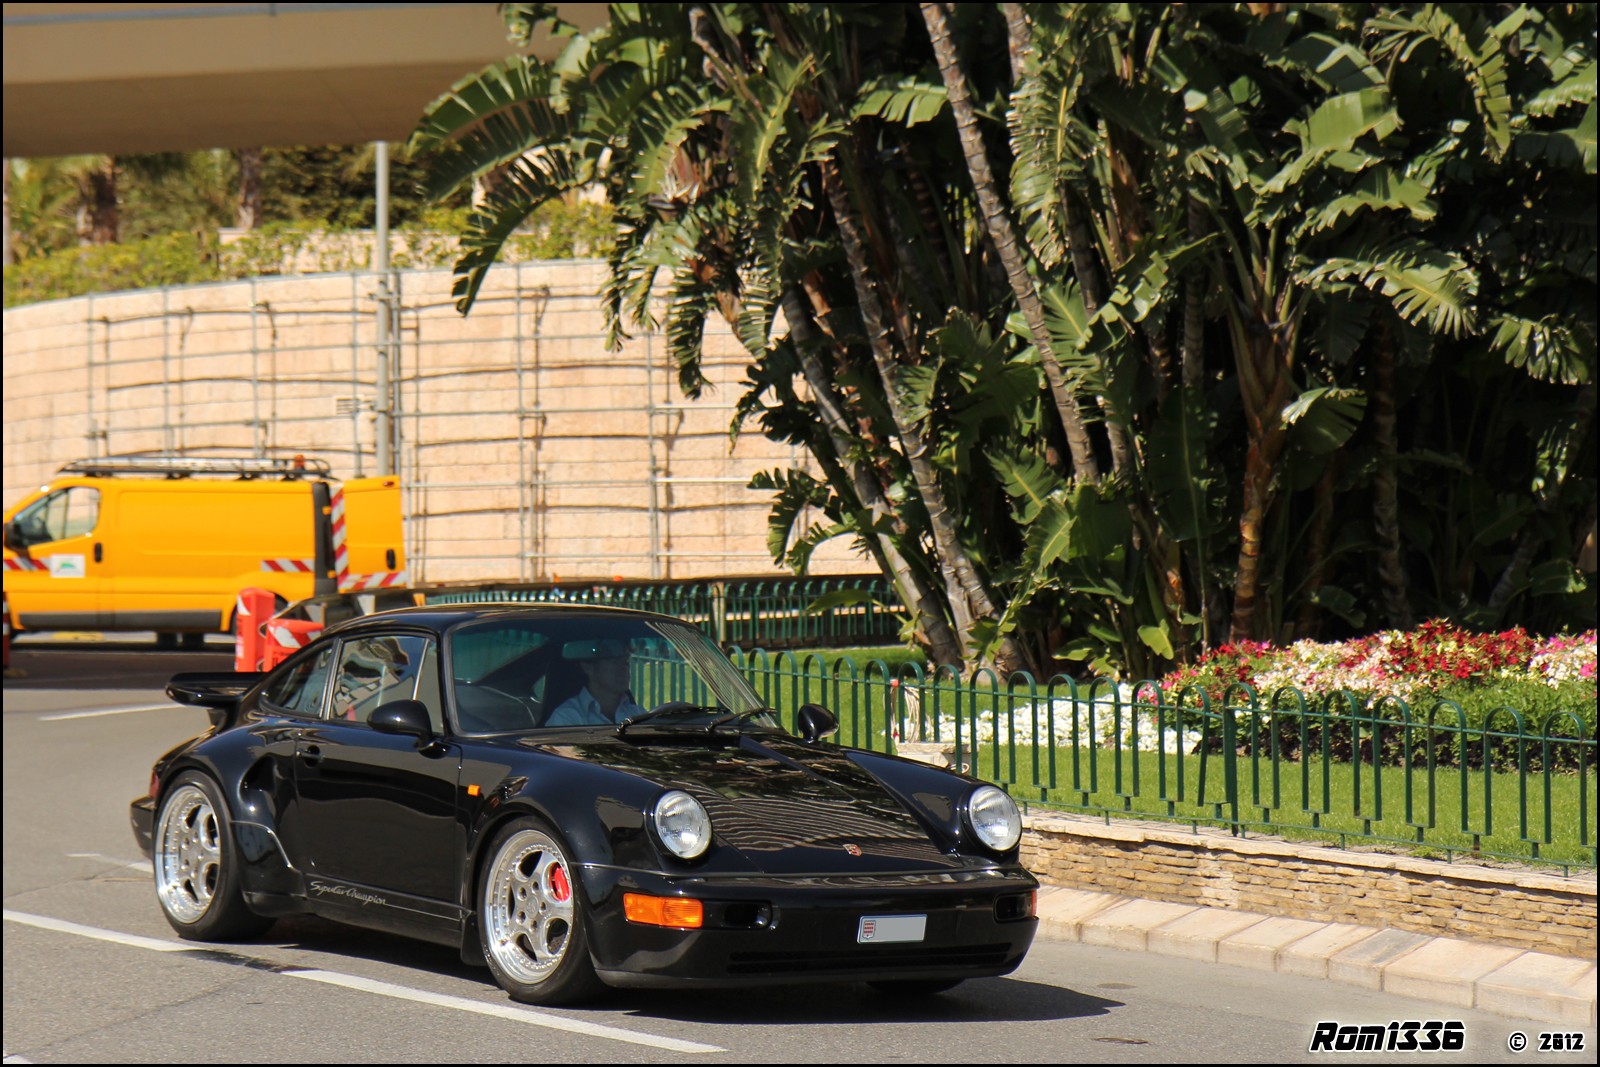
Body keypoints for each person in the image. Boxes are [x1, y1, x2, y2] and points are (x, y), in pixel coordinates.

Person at [545, 638, 648, 726]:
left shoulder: (638, 714)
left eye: (626, 660)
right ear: (588, 667)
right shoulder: (566, 717)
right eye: (614, 661)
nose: (624, 667)